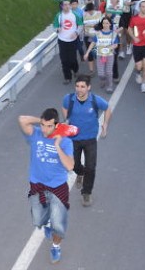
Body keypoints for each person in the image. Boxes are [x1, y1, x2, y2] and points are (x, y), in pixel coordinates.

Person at [19, 109, 75, 264]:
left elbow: (70, 166)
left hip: (57, 186)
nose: (45, 129)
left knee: (59, 223)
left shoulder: (65, 141)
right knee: (38, 219)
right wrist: (42, 120)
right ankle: (47, 222)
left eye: (49, 126)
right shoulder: (35, 134)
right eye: (43, 125)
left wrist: (57, 146)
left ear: (56, 126)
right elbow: (22, 119)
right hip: (37, 184)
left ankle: (56, 246)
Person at [61, 75, 111, 207]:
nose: (79, 89)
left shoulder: (95, 100)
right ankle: (80, 172)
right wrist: (66, 119)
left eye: (83, 87)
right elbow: (64, 107)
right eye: (77, 86)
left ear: (88, 87)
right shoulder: (69, 99)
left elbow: (107, 108)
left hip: (90, 139)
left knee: (91, 167)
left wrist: (105, 124)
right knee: (73, 165)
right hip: (73, 139)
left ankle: (87, 193)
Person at [84, 16, 118, 92]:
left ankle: (110, 86)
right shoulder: (98, 33)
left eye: (107, 23)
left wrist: (108, 48)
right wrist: (87, 53)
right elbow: (93, 43)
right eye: (103, 23)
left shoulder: (113, 34)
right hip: (99, 55)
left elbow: (115, 45)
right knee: (100, 73)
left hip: (109, 55)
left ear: (110, 24)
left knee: (109, 72)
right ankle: (103, 80)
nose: (105, 25)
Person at [54, 1, 83, 85]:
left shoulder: (75, 15)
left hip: (72, 40)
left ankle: (75, 70)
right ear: (62, 6)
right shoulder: (58, 16)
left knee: (72, 59)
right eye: (65, 5)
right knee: (64, 60)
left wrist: (76, 33)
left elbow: (80, 25)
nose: (67, 6)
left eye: (68, 4)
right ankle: (67, 77)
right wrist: (57, 29)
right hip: (62, 40)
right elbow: (54, 26)